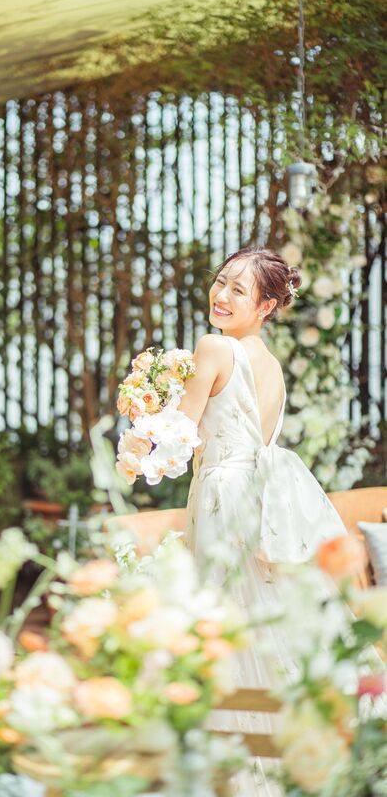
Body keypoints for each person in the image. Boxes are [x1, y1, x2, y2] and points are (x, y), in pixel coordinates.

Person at [177, 246, 349, 795]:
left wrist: (140, 425)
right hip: (253, 498)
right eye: (221, 282)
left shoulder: (215, 348)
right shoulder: (269, 363)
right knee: (256, 619)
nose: (221, 296)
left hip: (222, 499)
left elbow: (179, 436)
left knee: (224, 623)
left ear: (267, 305)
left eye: (239, 290)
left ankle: (236, 764)